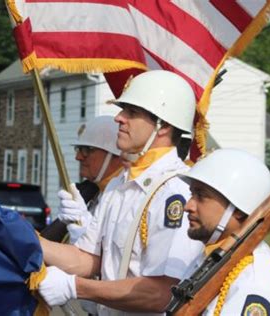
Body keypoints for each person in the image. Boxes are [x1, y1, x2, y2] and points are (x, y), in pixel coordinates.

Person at [38, 70, 203, 315]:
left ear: (164, 126)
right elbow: (86, 259)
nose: (119, 118)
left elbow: (162, 293)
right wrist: (27, 241)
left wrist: (75, 287)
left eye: (132, 113)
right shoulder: (119, 184)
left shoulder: (174, 193)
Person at [177, 148, 270, 315]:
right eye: (192, 194)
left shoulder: (257, 283)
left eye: (201, 196)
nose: (188, 206)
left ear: (238, 210)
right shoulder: (209, 258)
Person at [60, 116, 123, 244]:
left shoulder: (124, 198)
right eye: (78, 149)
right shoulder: (94, 192)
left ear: (114, 154)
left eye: (86, 150)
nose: (78, 157)